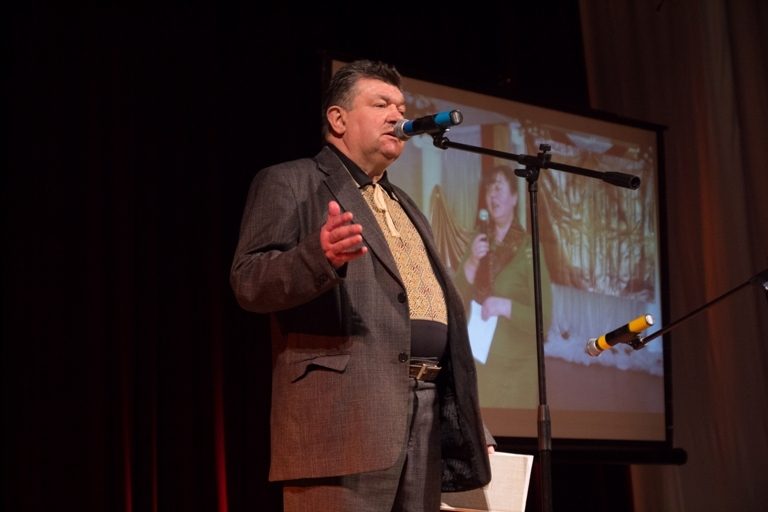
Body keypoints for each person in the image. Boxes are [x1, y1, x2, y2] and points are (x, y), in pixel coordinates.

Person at [230, 59, 493, 512]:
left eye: (401, 107)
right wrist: (319, 256)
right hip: (342, 422)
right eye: (381, 104)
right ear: (338, 119)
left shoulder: (405, 203)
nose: (397, 115)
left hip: (426, 415)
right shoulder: (290, 181)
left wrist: (470, 421)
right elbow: (248, 281)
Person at [453, 165, 553, 409]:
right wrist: (472, 262)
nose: (493, 195)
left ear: (515, 198)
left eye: (499, 188)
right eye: (489, 189)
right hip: (479, 366)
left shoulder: (529, 249)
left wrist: (505, 306)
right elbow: (454, 299)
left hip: (515, 374)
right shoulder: (479, 240)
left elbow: (544, 321)